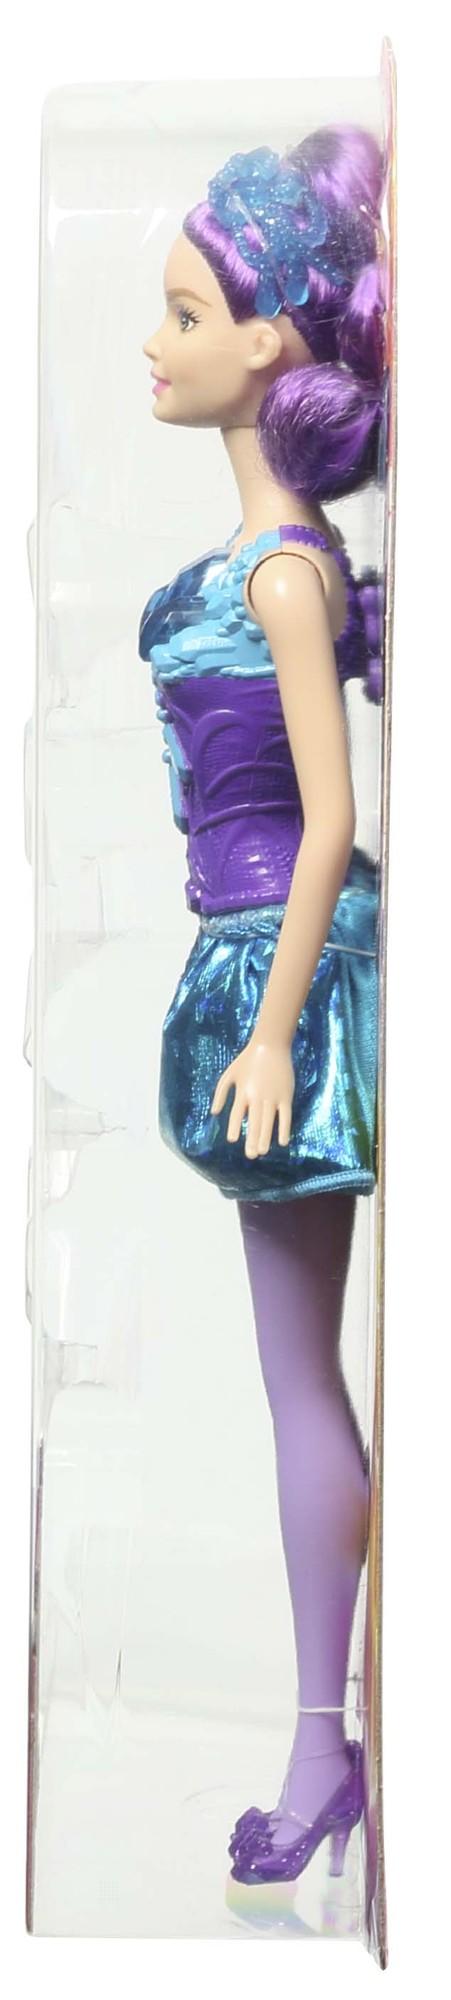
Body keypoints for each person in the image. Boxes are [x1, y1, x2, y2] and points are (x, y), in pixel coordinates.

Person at [138, 124, 387, 1886]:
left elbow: (331, 817)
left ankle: (322, 1751)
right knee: (286, 1370)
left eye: (183, 314)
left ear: (268, 342)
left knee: (302, 1378)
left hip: (283, 968)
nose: (155, 346)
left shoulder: (283, 575)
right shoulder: (255, 570)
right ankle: (327, 1737)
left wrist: (283, 1024)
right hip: (245, 963)